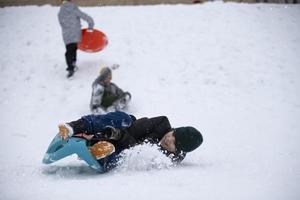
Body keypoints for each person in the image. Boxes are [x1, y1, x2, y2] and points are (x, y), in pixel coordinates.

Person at [58, 111, 203, 171]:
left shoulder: (167, 159)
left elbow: (135, 153)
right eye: (173, 134)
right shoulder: (161, 124)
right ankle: (74, 127)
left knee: (126, 157)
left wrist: (117, 140)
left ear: (177, 150)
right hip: (122, 131)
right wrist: (112, 134)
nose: (169, 138)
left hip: (121, 147)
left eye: (173, 143)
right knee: (125, 119)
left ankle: (98, 153)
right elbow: (133, 129)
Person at [58, 0, 94, 78]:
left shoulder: (61, 11)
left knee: (69, 50)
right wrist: (90, 24)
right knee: (73, 49)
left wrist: (67, 28)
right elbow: (85, 17)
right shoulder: (74, 9)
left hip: (67, 34)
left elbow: (61, 22)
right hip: (75, 33)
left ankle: (71, 66)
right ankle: (72, 65)